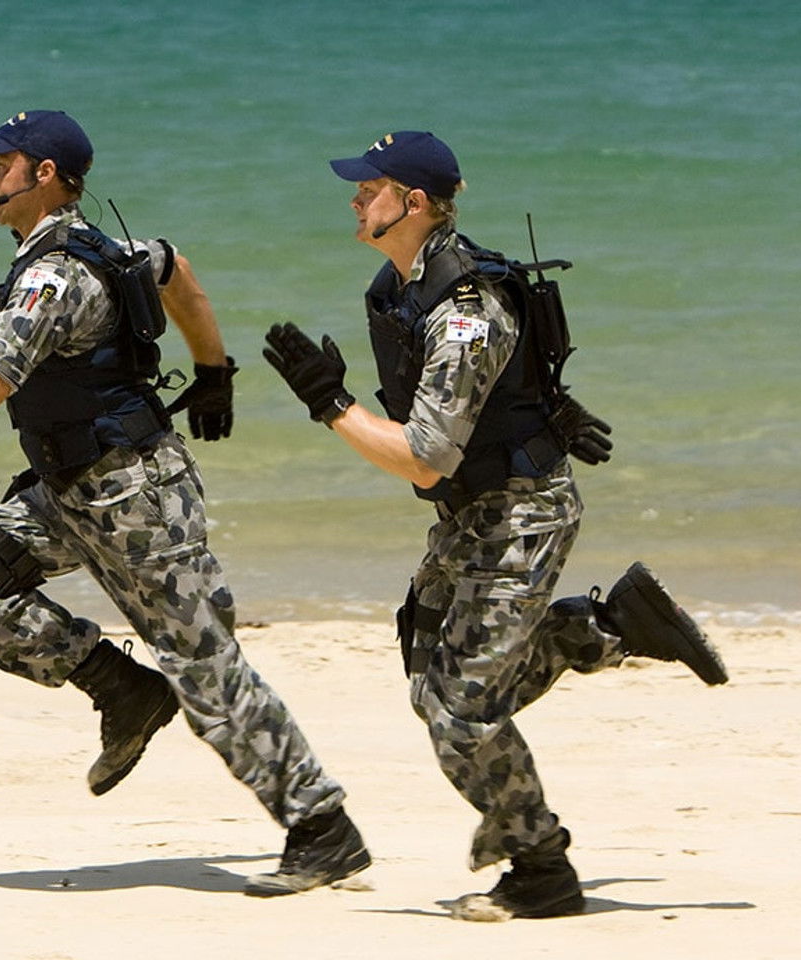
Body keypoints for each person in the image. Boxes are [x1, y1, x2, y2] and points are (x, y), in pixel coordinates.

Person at [0, 109, 370, 896]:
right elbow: (177, 268)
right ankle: (122, 690)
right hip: (68, 492)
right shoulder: (109, 248)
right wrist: (212, 369)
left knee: (206, 670)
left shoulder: (54, 275)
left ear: (45, 175)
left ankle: (323, 829)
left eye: (2, 163)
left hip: (136, 500)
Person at [262, 130, 727, 918]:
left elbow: (425, 458)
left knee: (462, 712)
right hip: (471, 513)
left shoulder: (463, 311)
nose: (355, 199)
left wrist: (330, 403)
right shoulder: (401, 286)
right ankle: (604, 628)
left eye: (369, 188)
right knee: (428, 676)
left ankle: (541, 867)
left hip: (522, 512)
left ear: (413, 202)